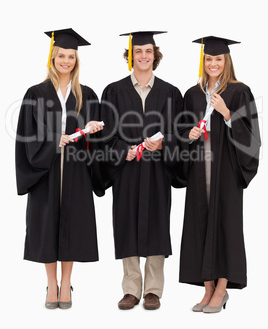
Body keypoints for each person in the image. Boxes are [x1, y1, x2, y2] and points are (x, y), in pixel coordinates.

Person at [15, 28, 104, 309]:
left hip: (76, 171)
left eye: (71, 56)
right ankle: (51, 284)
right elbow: (27, 134)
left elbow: (96, 135)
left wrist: (92, 129)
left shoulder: (87, 94)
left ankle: (67, 283)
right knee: (46, 226)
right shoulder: (36, 93)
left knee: (72, 227)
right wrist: (55, 140)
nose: (66, 61)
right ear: (52, 57)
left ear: (77, 60)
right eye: (61, 55)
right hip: (46, 170)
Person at [100, 31, 185, 310]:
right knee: (127, 223)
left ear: (155, 55)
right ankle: (131, 289)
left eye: (148, 51)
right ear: (131, 55)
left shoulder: (171, 93)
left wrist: (162, 145)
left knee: (157, 224)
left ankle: (153, 290)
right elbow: (106, 134)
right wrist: (124, 150)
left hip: (158, 170)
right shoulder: (113, 91)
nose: (144, 56)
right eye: (138, 51)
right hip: (127, 169)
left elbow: (179, 133)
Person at [179, 36, 261, 313]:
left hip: (226, 168)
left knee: (225, 224)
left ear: (226, 61)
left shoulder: (239, 92)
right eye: (209, 59)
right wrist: (188, 135)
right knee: (199, 223)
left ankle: (222, 289)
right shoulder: (192, 94)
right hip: (199, 168)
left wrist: (228, 115)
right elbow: (181, 132)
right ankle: (208, 289)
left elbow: (253, 140)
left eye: (218, 59)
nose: (213, 63)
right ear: (203, 62)